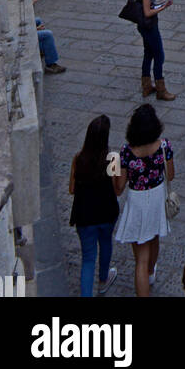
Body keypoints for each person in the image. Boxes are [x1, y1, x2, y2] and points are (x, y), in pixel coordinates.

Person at [112, 103, 175, 297]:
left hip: (137, 199)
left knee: (140, 257)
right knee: (154, 236)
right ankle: (150, 273)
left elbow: (118, 188)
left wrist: (113, 167)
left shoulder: (125, 152)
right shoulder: (164, 146)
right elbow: (170, 175)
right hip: (157, 196)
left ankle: (144, 278)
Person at [69, 115, 120, 297]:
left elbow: (72, 189)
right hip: (107, 212)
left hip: (85, 216)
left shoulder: (79, 159)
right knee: (106, 243)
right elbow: (117, 189)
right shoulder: (112, 159)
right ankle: (104, 280)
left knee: (88, 259)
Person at [134, 0, 176, 100]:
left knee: (148, 53)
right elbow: (147, 12)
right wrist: (163, 7)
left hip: (143, 26)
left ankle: (146, 86)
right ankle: (161, 89)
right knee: (159, 55)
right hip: (150, 26)